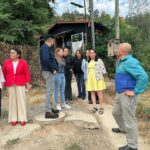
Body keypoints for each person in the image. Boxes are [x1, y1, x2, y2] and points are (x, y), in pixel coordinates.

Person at [112, 43, 148, 150]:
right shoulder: (121, 61)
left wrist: (135, 91)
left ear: (122, 51)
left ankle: (132, 146)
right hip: (120, 93)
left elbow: (144, 77)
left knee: (130, 119)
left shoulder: (130, 62)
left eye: (117, 48)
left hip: (127, 95)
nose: (116, 50)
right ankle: (123, 129)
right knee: (116, 112)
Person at [3, 47, 31, 126]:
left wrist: (27, 83)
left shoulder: (23, 62)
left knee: (21, 100)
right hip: (10, 83)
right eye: (10, 52)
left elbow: (27, 73)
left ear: (18, 55)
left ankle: (22, 119)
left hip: (21, 82)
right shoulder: (6, 62)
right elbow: (3, 73)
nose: (10, 54)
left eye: (13, 53)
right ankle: (13, 119)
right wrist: (3, 82)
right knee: (12, 101)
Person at [40, 34, 59, 119]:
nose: (53, 42)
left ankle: (51, 108)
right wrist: (52, 69)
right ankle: (48, 112)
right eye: (53, 40)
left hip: (48, 71)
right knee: (49, 92)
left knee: (50, 91)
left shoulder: (46, 48)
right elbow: (46, 60)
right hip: (48, 72)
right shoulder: (45, 48)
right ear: (50, 40)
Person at [86, 49, 106, 114]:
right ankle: (94, 107)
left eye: (92, 53)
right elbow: (87, 71)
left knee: (99, 93)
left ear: (95, 53)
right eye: (90, 53)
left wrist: (103, 78)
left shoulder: (99, 60)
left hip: (98, 79)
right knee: (92, 93)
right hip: (90, 79)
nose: (91, 54)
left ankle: (101, 107)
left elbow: (103, 70)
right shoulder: (88, 61)